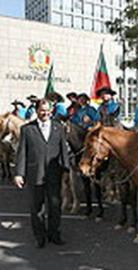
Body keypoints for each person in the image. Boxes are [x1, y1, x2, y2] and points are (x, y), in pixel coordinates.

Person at [14, 99, 69, 248]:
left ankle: (54, 234)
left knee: (55, 206)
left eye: (48, 111)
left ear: (52, 111)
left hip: (54, 174)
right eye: (42, 110)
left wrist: (66, 170)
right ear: (37, 111)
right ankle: (40, 236)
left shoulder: (59, 128)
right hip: (34, 174)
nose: (45, 113)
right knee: (37, 208)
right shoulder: (27, 129)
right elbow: (22, 153)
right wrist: (19, 173)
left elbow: (63, 151)